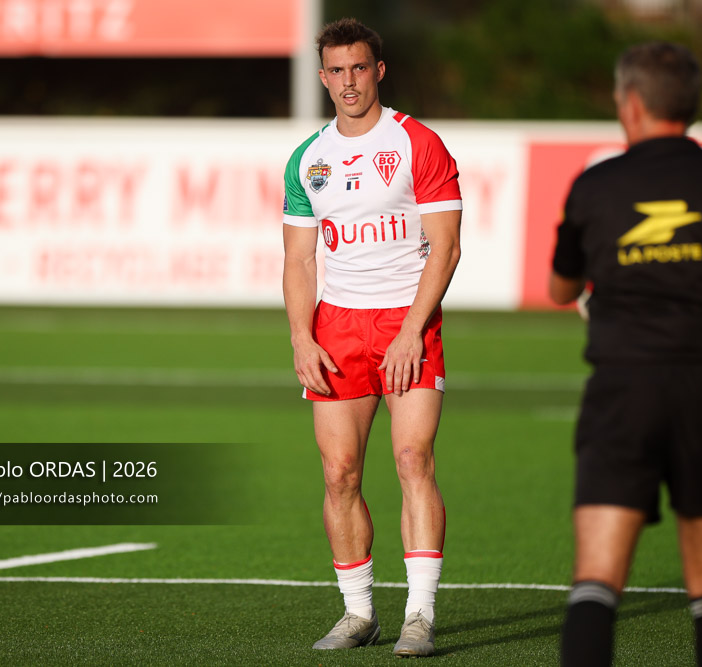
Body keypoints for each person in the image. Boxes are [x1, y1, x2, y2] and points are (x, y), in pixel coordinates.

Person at [550, 42, 702, 667]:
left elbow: (560, 289)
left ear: (631, 103)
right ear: (688, 106)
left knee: (597, 579)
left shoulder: (595, 184)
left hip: (622, 390)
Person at [281, 17, 462, 658]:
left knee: (413, 460)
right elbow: (300, 260)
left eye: (360, 68)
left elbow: (446, 247)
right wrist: (302, 339)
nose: (349, 81)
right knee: (338, 474)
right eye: (337, 71)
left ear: (378, 70)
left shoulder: (419, 142)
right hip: (337, 325)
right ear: (323, 76)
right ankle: (359, 615)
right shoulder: (308, 159)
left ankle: (420, 614)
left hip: (406, 319)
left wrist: (413, 328)